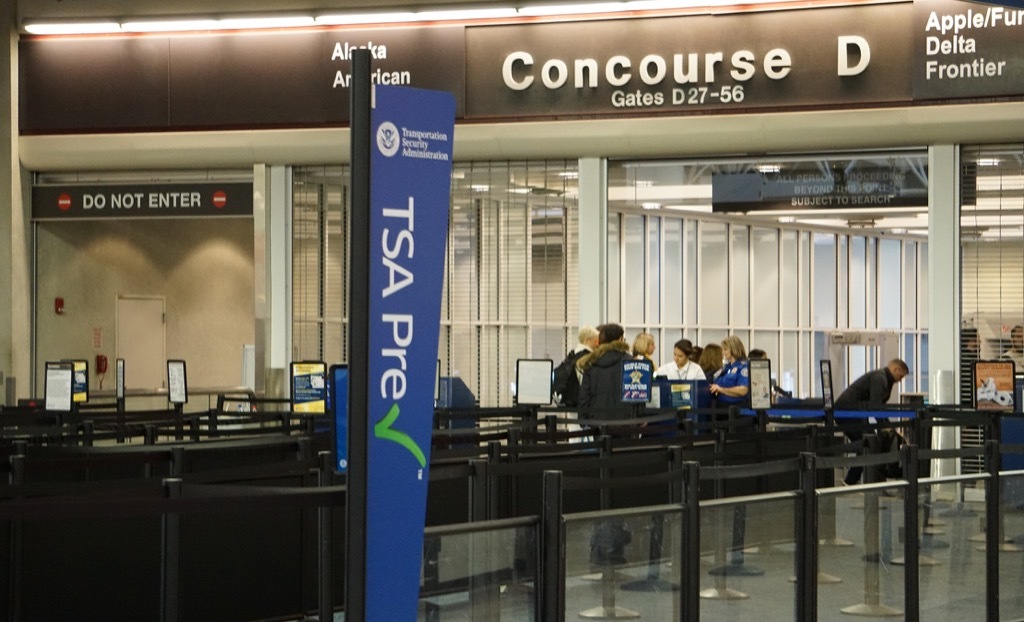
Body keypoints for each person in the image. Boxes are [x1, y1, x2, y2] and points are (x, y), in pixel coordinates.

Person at [577, 323, 637, 566]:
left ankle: (598, 544)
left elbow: (585, 399)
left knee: (602, 482)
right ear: (622, 338)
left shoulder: (591, 364)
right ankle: (616, 546)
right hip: (626, 431)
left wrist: (588, 424)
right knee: (622, 485)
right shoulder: (632, 363)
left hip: (599, 429)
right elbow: (638, 397)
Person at [834, 358, 909, 485]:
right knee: (867, 443)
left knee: (869, 442)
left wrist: (888, 427)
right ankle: (851, 481)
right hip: (847, 413)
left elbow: (879, 407)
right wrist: (885, 426)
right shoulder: (880, 378)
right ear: (895, 369)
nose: (900, 379)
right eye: (900, 376)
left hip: (855, 414)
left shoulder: (884, 379)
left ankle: (854, 480)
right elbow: (876, 406)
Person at [578, 323, 638, 422]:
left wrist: (583, 418)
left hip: (597, 419)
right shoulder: (630, 361)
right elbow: (636, 392)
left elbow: (585, 394)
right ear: (620, 339)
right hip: (626, 419)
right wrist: (640, 416)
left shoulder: (591, 361)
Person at [709, 335, 750, 407]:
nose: (723, 352)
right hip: (720, 406)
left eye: (725, 349)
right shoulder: (726, 368)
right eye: (722, 350)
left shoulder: (743, 367)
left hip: (736, 407)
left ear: (734, 349)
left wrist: (721, 389)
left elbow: (743, 390)